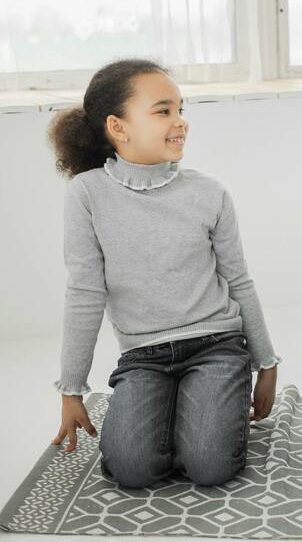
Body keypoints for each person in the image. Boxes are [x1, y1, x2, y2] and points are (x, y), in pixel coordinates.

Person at [47, 58, 281, 488]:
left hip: (216, 345)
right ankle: (182, 411)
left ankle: (208, 408)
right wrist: (71, 390)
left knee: (210, 466)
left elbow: (239, 280)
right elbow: (84, 293)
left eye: (180, 109)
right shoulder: (87, 195)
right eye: (163, 111)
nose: (180, 122)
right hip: (143, 357)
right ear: (118, 127)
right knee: (131, 469)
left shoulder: (209, 193)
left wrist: (266, 364)